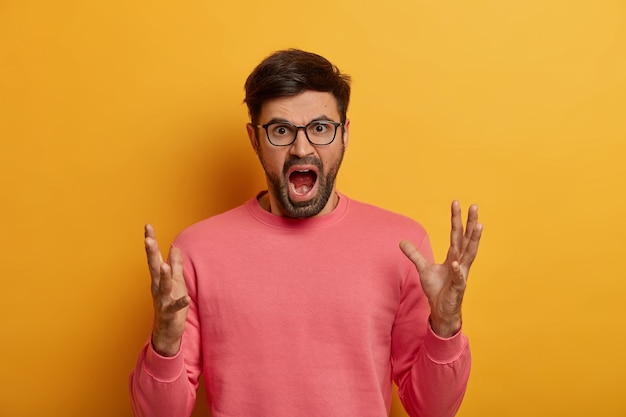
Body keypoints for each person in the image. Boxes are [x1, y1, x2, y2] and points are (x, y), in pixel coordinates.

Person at [129, 48, 483, 417]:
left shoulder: (402, 245)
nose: (302, 148)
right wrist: (166, 342)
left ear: (344, 133)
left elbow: (434, 410)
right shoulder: (196, 251)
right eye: (281, 130)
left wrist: (446, 326)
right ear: (254, 139)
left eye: (320, 128)